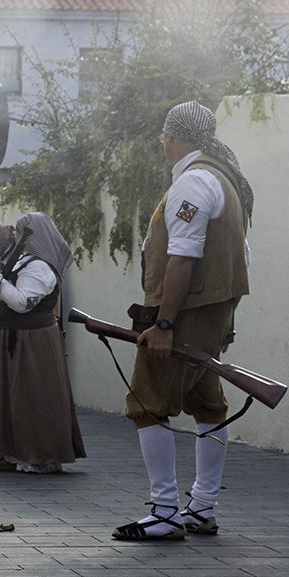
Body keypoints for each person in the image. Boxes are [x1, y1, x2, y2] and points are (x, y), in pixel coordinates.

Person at [112, 102, 251, 541]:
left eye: (164, 137)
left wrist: (165, 324)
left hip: (183, 315)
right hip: (210, 315)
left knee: (147, 405)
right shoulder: (226, 178)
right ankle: (202, 508)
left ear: (173, 138)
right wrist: (224, 324)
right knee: (209, 408)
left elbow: (183, 258)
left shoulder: (193, 181)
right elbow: (238, 259)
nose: (162, 144)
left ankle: (166, 511)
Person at [0, 215, 85, 474]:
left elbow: (22, 303)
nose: (14, 238)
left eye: (19, 234)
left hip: (30, 343)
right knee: (2, 398)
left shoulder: (41, 267)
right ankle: (3, 451)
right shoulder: (21, 262)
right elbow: (4, 293)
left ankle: (39, 455)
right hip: (9, 339)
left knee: (31, 399)